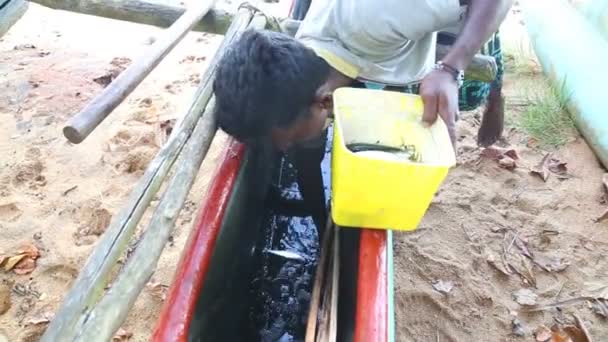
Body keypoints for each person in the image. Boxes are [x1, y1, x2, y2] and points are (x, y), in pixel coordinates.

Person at [212, 0, 513, 230]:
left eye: (290, 140)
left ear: (324, 102)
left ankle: (497, 95)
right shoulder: (312, 50)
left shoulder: (379, 20)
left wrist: (451, 67)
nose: (286, 149)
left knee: (470, 74)